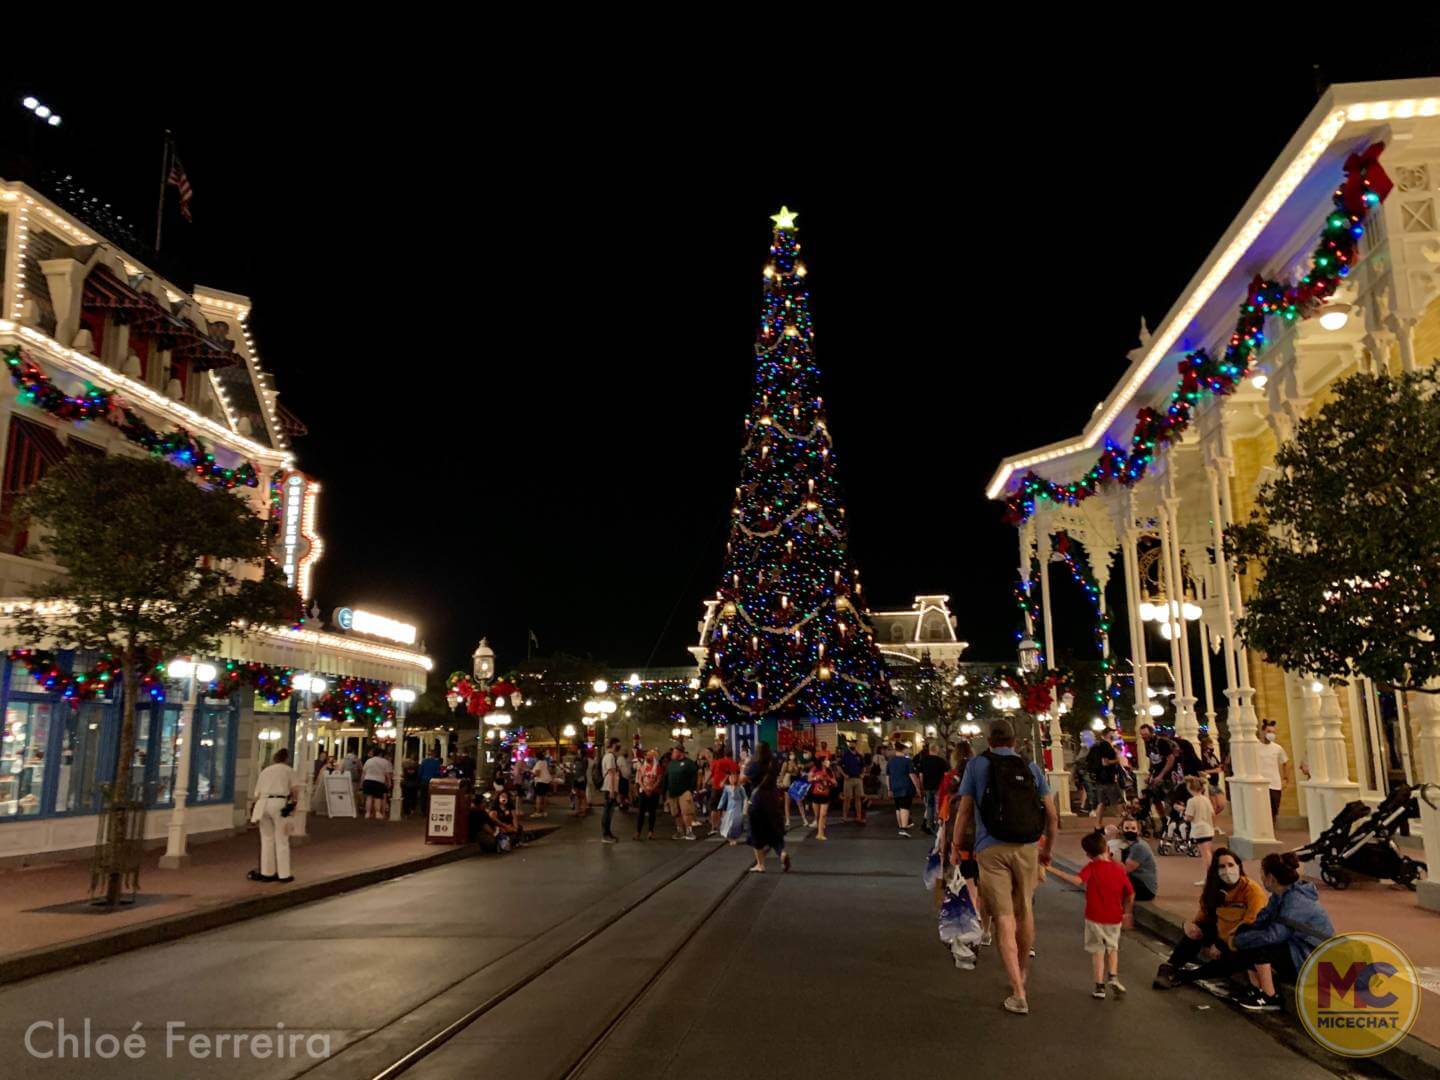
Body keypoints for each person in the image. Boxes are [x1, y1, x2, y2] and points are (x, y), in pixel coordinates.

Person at [951, 720, 1058, 1016]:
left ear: (988, 740)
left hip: (990, 848)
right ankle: (1023, 972)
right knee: (1025, 910)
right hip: (1027, 846)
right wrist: (1047, 850)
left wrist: (955, 845)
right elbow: (1051, 814)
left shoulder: (976, 765)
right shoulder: (1031, 767)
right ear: (1013, 740)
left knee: (1003, 917)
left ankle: (1018, 992)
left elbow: (964, 810)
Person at [1229, 852, 1333, 1011]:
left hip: (1310, 959)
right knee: (1249, 935)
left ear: (1270, 878)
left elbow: (1274, 936)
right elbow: (1263, 917)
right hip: (1297, 948)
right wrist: (1242, 930)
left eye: (1262, 873)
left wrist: (1238, 940)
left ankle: (1271, 997)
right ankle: (1256, 989)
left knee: (1260, 945)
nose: (1261, 877)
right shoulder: (1281, 894)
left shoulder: (1296, 901)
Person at [1153, 847, 1267, 989]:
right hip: (1220, 933)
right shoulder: (1213, 889)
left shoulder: (1251, 890)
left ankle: (1187, 976)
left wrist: (1221, 944)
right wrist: (1189, 925)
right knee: (1196, 931)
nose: (1227, 870)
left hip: (1240, 939)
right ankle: (1170, 967)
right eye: (1222, 866)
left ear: (1239, 866)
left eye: (1230, 865)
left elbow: (1251, 922)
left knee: (1234, 959)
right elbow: (1203, 917)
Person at [1046, 828, 1134, 999]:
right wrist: (1127, 912)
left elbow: (1076, 880)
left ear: (1087, 854)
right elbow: (1130, 893)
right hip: (1115, 916)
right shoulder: (1118, 870)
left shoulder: (1091, 868)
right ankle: (1113, 976)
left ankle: (1099, 986)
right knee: (1113, 948)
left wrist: (1052, 869)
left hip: (1094, 916)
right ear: (1108, 849)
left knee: (1098, 951)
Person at [248, 747, 300, 883]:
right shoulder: (288, 770)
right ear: (286, 758)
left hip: (263, 803)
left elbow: (257, 793)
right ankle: (284, 874)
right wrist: (294, 804)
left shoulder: (265, 771)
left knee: (266, 839)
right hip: (279, 802)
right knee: (282, 839)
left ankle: (267, 872)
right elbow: (295, 790)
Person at [747, 757, 790, 872]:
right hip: (772, 801)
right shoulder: (773, 767)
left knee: (755, 835)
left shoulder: (755, 767)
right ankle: (782, 853)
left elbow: (745, 777)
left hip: (757, 802)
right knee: (775, 834)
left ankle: (760, 864)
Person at [1115, 816, 1158, 901]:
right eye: (1126, 828)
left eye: (1133, 828)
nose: (1130, 831)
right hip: (1137, 881)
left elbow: (1125, 870)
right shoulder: (1128, 844)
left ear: (1138, 831)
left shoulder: (1138, 847)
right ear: (1122, 830)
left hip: (1145, 889)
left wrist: (1108, 856)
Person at [1255, 719, 1290, 824]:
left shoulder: (1277, 748)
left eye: (1273, 732)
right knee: (1262, 809)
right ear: (1263, 731)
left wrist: (1286, 779)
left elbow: (1285, 763)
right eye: (1269, 731)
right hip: (1261, 783)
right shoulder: (1256, 747)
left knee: (1274, 810)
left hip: (1275, 784)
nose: (1271, 734)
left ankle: (1272, 829)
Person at [1088, 729, 1124, 829]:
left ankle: (1098, 825)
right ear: (1109, 734)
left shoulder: (1096, 746)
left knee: (1101, 802)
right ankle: (1125, 821)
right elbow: (1105, 762)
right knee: (1119, 800)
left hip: (1099, 779)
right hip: (1108, 778)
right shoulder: (1106, 746)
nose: (1115, 735)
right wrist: (1117, 759)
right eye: (1113, 733)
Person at [1183, 776, 1216, 885]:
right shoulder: (1206, 799)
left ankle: (1209, 877)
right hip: (1208, 828)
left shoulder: (1191, 801)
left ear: (1190, 787)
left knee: (1205, 855)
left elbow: (1189, 817)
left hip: (1199, 830)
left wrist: (1182, 812)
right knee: (1208, 853)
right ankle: (1210, 877)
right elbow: (1212, 813)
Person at [665, 745, 700, 839]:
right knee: (676, 813)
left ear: (680, 753)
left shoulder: (689, 763)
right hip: (672, 792)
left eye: (674, 752)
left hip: (684, 792)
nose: (672, 754)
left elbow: (694, 776)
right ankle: (680, 831)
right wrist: (665, 791)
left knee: (686, 812)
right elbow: (666, 777)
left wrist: (691, 790)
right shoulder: (671, 764)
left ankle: (689, 832)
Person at [708, 743, 739, 838]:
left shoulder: (718, 762)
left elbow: (711, 773)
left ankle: (714, 828)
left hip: (716, 787)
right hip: (728, 788)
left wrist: (705, 782)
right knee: (726, 808)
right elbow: (735, 775)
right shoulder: (734, 764)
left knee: (714, 808)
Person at [887, 742, 917, 837]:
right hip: (905, 786)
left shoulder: (890, 762)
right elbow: (911, 774)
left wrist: (889, 788)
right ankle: (904, 828)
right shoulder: (907, 761)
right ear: (903, 750)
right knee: (905, 807)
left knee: (898, 807)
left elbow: (888, 776)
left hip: (895, 786)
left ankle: (900, 826)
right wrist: (917, 786)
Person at [917, 742, 947, 834]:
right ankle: (939, 825)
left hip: (927, 786)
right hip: (938, 786)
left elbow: (921, 775)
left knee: (929, 806)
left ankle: (929, 825)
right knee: (939, 805)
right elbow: (945, 775)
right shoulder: (941, 761)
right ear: (937, 750)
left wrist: (921, 786)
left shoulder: (923, 761)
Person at [635, 748, 663, 840]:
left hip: (654, 792)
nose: (647, 757)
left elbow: (659, 779)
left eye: (650, 755)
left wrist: (652, 788)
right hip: (643, 792)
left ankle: (651, 831)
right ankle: (638, 832)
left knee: (652, 812)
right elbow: (639, 779)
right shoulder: (642, 767)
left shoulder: (657, 767)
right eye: (646, 755)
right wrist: (644, 789)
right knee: (641, 813)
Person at [806, 753, 835, 840]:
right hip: (816, 793)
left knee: (823, 814)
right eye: (826, 760)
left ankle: (820, 833)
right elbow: (809, 779)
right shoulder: (815, 769)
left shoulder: (829, 770)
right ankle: (818, 830)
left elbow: (834, 781)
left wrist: (829, 780)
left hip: (825, 794)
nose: (828, 761)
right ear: (822, 762)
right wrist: (816, 778)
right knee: (818, 815)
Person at [779, 753, 809, 829]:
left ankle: (804, 819)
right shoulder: (786, 763)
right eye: (791, 754)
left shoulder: (797, 762)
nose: (792, 755)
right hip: (788, 783)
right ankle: (788, 819)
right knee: (787, 803)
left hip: (796, 783)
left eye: (793, 754)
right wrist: (780, 782)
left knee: (799, 802)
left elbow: (799, 772)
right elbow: (782, 773)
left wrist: (800, 767)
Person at [361, 747, 392, 820]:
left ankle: (367, 813)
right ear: (381, 754)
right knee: (378, 798)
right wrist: (389, 782)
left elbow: (363, 773)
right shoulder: (385, 762)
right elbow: (387, 774)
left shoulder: (368, 761)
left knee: (369, 798)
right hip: (379, 781)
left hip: (368, 780)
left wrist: (362, 782)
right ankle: (378, 813)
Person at [600, 738, 621, 844]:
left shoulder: (609, 756)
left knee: (609, 812)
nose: (619, 746)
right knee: (607, 812)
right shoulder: (610, 757)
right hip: (609, 788)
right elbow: (612, 773)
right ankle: (605, 834)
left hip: (610, 788)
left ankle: (608, 833)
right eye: (618, 744)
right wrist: (612, 790)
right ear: (613, 744)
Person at [716, 770, 746, 844]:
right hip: (730, 808)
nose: (732, 779)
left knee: (737, 823)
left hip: (738, 807)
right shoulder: (727, 788)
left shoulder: (741, 788)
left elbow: (745, 797)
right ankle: (730, 838)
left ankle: (734, 837)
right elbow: (723, 797)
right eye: (731, 778)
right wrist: (720, 806)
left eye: (734, 777)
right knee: (729, 823)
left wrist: (745, 806)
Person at [840, 742, 866, 823]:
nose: (852, 745)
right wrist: (844, 775)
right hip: (849, 779)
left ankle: (858, 817)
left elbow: (863, 766)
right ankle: (845, 817)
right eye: (851, 744)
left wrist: (863, 774)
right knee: (847, 798)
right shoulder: (846, 755)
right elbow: (838, 765)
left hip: (858, 778)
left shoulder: (859, 755)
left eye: (854, 744)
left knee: (858, 798)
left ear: (856, 745)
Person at [530, 753, 553, 818]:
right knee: (544, 796)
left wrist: (531, 773)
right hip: (546, 781)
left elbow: (537, 773)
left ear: (537, 758)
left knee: (538, 797)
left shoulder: (539, 763)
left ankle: (537, 812)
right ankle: (544, 811)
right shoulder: (545, 762)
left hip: (540, 781)